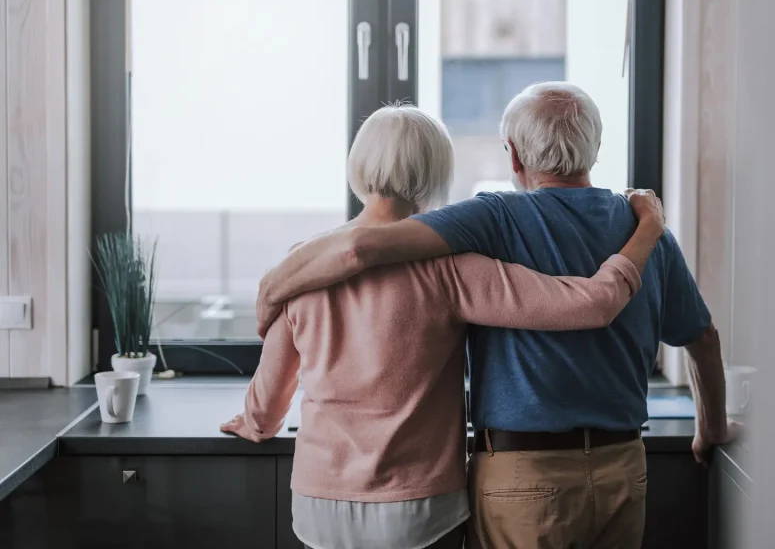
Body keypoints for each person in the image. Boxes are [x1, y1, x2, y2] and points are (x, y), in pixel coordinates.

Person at [256, 83, 737, 549]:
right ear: (594, 148)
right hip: (624, 468)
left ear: (513, 156)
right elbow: (704, 338)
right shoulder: (644, 231)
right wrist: (711, 426)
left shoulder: (494, 219)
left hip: (520, 473)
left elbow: (364, 247)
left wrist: (275, 285)